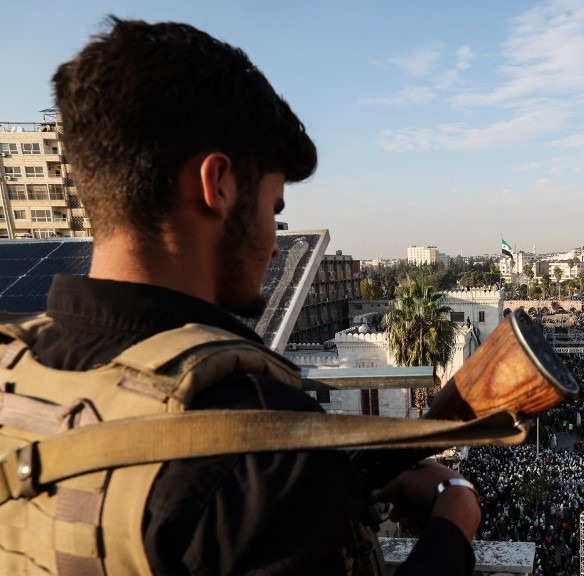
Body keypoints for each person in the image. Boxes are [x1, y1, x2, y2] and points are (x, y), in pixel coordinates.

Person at [22, 17, 480, 574]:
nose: (272, 239)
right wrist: (453, 523)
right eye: (274, 210)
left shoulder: (18, 377)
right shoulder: (257, 445)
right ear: (218, 186)